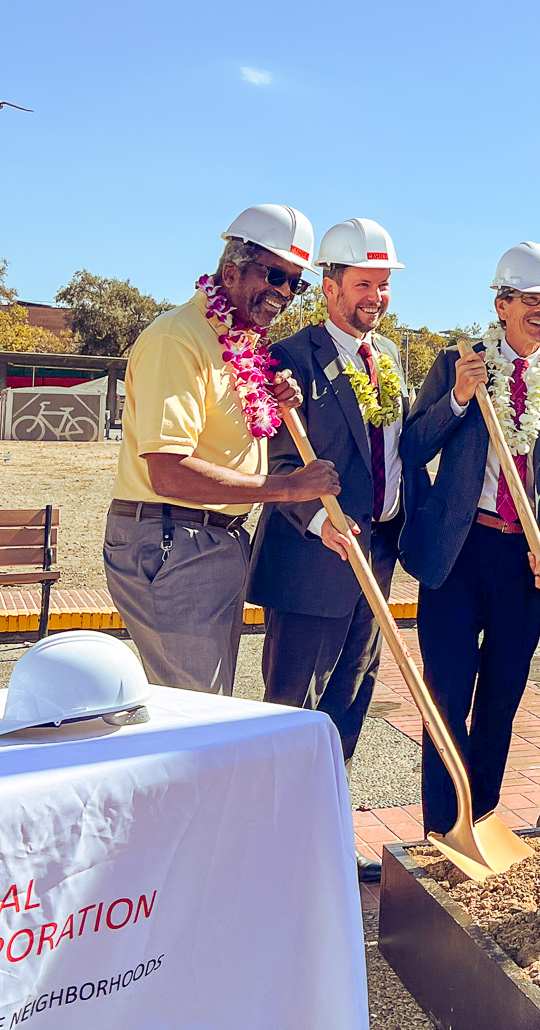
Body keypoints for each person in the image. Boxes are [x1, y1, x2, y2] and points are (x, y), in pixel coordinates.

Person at [399, 242, 540, 838]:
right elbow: (413, 447)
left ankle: (479, 826)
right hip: (458, 555)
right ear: (501, 303)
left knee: (502, 702)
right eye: (531, 299)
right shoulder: (457, 361)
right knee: (448, 701)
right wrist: (458, 398)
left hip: (525, 560)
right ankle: (440, 834)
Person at [104, 205, 338, 694]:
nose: (285, 293)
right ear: (230, 270)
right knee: (196, 717)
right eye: (275, 275)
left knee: (208, 707)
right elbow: (168, 472)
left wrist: (277, 402)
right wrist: (289, 488)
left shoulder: (236, 343)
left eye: (297, 283)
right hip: (174, 537)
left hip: (213, 539)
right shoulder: (177, 340)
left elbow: (223, 439)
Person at [247, 219, 409, 882]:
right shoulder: (288, 358)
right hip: (314, 559)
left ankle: (321, 847)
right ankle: (269, 856)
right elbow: (278, 457)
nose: (376, 295)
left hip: (376, 555)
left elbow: (396, 450)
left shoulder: (390, 359)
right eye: (364, 283)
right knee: (293, 709)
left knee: (349, 703)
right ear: (330, 284)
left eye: (384, 284)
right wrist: (321, 524)